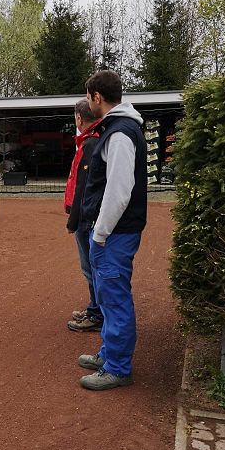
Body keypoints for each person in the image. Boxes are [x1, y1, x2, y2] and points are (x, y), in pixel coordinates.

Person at [76, 70, 147, 391]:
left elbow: (119, 191)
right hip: (114, 232)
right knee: (107, 295)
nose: (88, 101)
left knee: (115, 298)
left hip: (114, 234)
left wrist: (100, 233)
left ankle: (118, 368)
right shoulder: (118, 128)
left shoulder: (120, 134)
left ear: (97, 97)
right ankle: (109, 355)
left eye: (88, 96)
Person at [64, 99, 103, 332]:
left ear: (79, 118)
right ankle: (94, 308)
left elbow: (83, 187)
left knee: (90, 267)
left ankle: (97, 313)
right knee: (91, 266)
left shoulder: (90, 143)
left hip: (86, 217)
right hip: (87, 215)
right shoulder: (90, 141)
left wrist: (74, 219)